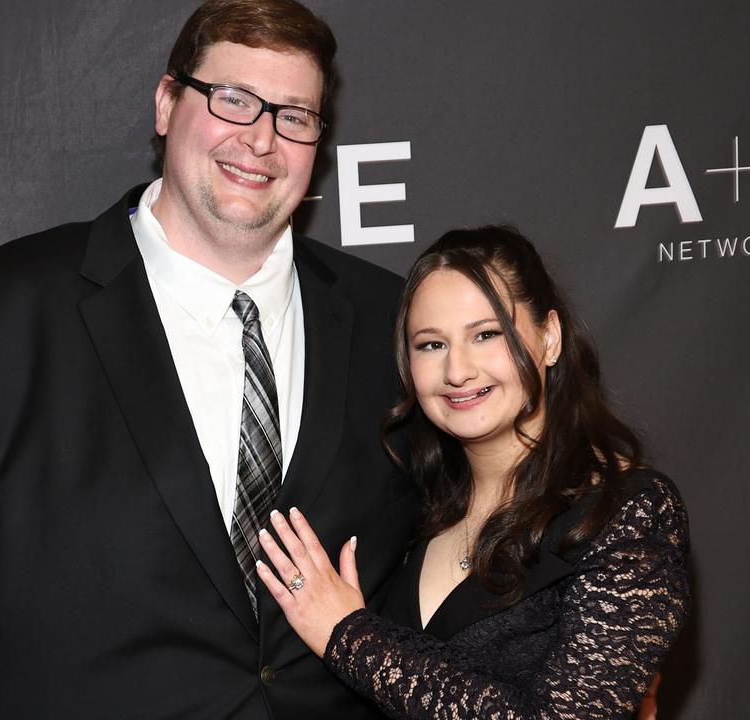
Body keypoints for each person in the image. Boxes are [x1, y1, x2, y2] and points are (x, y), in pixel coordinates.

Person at [0, 2, 418, 718]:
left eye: (294, 116)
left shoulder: (398, 324)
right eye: (232, 100)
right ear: (168, 104)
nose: (261, 139)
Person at [255, 226, 690, 719]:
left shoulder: (628, 511)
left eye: (487, 334)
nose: (457, 370)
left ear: (549, 338)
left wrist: (347, 634)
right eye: (430, 345)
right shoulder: (414, 506)